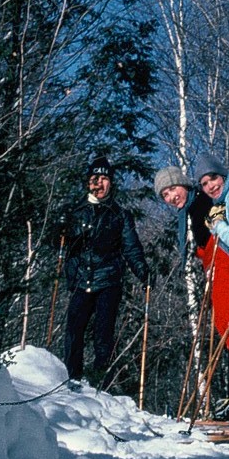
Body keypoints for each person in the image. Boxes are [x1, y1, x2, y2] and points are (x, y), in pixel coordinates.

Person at [155, 158, 229, 423]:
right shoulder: (190, 211)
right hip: (217, 270)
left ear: (183, 184)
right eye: (164, 195)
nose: (171, 197)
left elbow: (226, 232)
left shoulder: (203, 203)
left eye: (172, 189)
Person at [60, 156, 150, 389]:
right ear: (88, 182)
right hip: (81, 279)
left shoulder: (119, 215)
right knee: (73, 330)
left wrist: (143, 271)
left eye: (104, 179)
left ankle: (102, 385)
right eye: (94, 179)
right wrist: (61, 233)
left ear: (111, 183)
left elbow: (131, 248)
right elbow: (57, 242)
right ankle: (71, 379)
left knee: (103, 333)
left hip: (109, 279)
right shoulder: (75, 211)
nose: (99, 184)